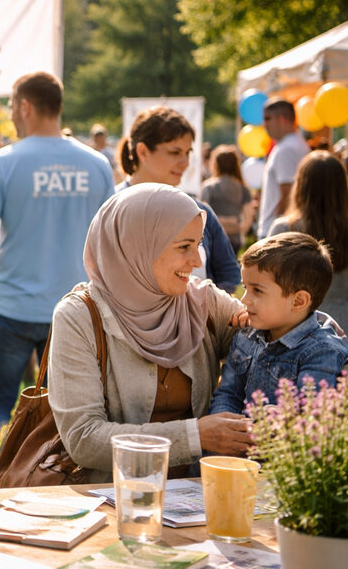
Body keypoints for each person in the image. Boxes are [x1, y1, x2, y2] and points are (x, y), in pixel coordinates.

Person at [0, 72, 114, 487]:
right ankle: (53, 481)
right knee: (65, 407)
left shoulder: (4, 161)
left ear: (25, 107)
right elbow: (109, 238)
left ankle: (0, 484)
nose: (12, 117)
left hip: (12, 302)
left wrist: (0, 256)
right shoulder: (96, 163)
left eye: (12, 109)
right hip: (75, 309)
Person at [48, 184, 251, 483]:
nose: (197, 262)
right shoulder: (78, 317)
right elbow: (84, 438)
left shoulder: (203, 302)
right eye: (184, 247)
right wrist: (195, 437)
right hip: (114, 501)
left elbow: (279, 336)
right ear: (137, 245)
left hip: (200, 500)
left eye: (198, 245)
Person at [212, 234, 348, 415]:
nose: (244, 300)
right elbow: (228, 394)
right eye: (245, 287)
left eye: (257, 291)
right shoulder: (247, 335)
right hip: (237, 437)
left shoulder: (321, 350)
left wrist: (251, 429)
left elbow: (307, 416)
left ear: (298, 301)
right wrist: (223, 425)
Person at [117, 107, 241, 293]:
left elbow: (228, 273)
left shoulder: (197, 210)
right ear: (143, 152)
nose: (185, 162)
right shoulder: (109, 208)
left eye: (187, 153)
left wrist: (210, 311)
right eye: (175, 152)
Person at [269, 151, 348, 356]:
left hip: (292, 328)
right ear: (343, 187)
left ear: (300, 185)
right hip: (346, 327)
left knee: (291, 389)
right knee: (341, 388)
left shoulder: (284, 229)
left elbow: (267, 284)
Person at [258, 98, 310, 238]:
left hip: (276, 232)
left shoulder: (286, 149)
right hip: (284, 230)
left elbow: (287, 194)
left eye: (267, 118)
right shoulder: (297, 144)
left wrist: (280, 230)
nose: (264, 124)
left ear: (281, 119)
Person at [199, 145, 253, 253]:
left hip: (212, 238)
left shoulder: (208, 187)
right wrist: (234, 225)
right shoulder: (243, 188)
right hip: (235, 240)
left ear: (215, 164)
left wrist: (220, 222)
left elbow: (202, 217)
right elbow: (247, 222)